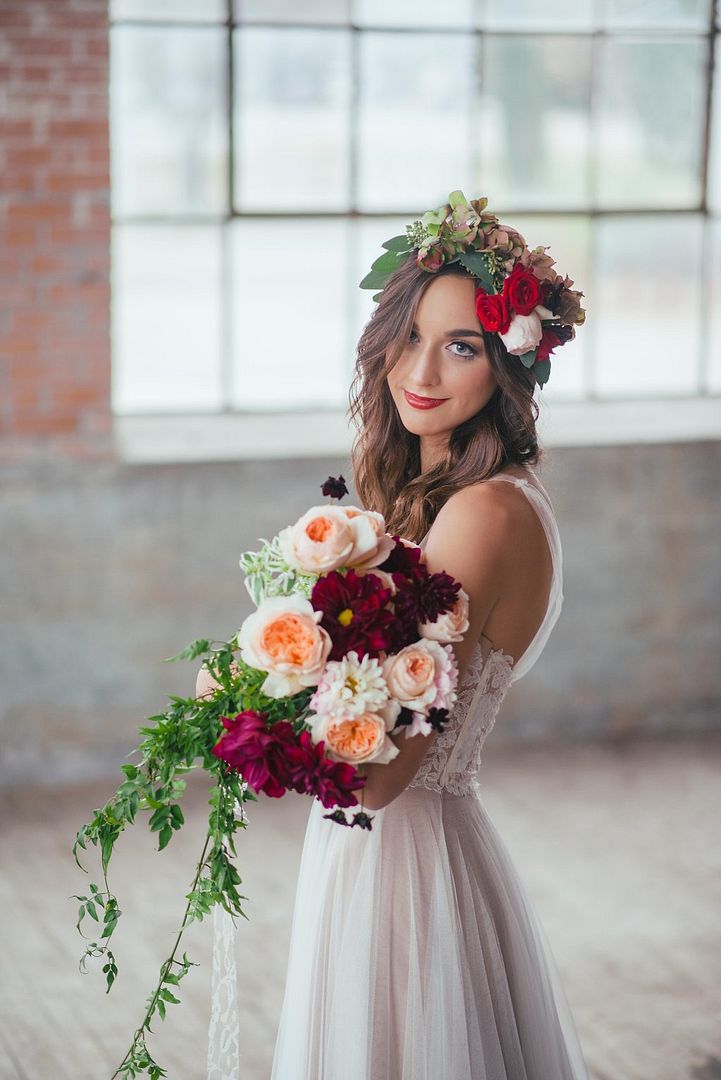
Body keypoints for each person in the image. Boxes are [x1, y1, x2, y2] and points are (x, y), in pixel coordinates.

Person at [204, 192, 590, 1079]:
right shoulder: (433, 499)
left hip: (406, 860)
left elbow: (379, 780)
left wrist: (256, 705)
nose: (421, 369)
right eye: (409, 335)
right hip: (385, 848)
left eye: (460, 345)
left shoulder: (482, 514)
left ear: (508, 362)